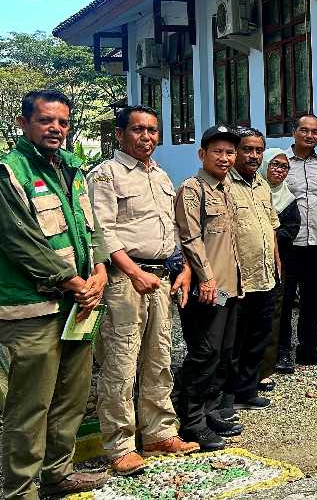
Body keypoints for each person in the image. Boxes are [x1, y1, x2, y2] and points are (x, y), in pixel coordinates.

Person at [0, 90, 109, 499]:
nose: (56, 129)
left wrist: (98, 269)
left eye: (63, 122)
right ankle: (20, 489)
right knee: (30, 406)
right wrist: (72, 280)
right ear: (24, 123)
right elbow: (20, 242)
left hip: (77, 304)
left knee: (72, 395)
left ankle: (58, 473)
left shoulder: (72, 169)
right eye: (46, 120)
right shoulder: (10, 173)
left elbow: (90, 227)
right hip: (34, 309)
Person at [88, 105, 199, 476]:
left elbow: (169, 230)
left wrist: (181, 268)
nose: (147, 137)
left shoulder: (162, 177)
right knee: (121, 363)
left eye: (152, 130)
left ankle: (158, 432)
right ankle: (119, 445)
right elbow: (102, 232)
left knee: (159, 357)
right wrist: (133, 272)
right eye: (138, 130)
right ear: (120, 134)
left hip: (161, 277)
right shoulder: (107, 175)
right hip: (124, 280)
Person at [173, 125, 245, 451]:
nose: (225, 157)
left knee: (223, 354)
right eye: (218, 151)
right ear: (202, 154)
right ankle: (191, 423)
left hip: (229, 287)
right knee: (204, 354)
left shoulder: (226, 190)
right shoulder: (192, 189)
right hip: (207, 288)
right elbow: (190, 238)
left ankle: (209, 410)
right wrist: (207, 278)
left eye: (230, 152)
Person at [223, 127, 280, 413]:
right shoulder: (224, 184)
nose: (254, 155)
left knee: (259, 336)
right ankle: (228, 395)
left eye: (259, 150)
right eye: (247, 149)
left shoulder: (262, 184)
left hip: (265, 275)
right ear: (236, 151)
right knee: (234, 339)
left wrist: (277, 265)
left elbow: (271, 227)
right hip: (238, 278)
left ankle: (248, 389)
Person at [277, 114, 317, 371]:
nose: (310, 136)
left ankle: (308, 348)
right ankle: (283, 350)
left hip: (316, 242)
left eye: (315, 132)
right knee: (285, 299)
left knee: (312, 298)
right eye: (305, 130)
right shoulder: (280, 162)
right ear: (294, 132)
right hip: (288, 243)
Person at [258, 148, 301, 390]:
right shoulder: (251, 191)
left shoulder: (288, 199)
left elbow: (292, 228)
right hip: (249, 263)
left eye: (284, 167)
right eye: (275, 165)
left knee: (277, 311)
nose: (279, 170)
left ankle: (269, 363)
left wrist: (269, 234)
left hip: (279, 262)